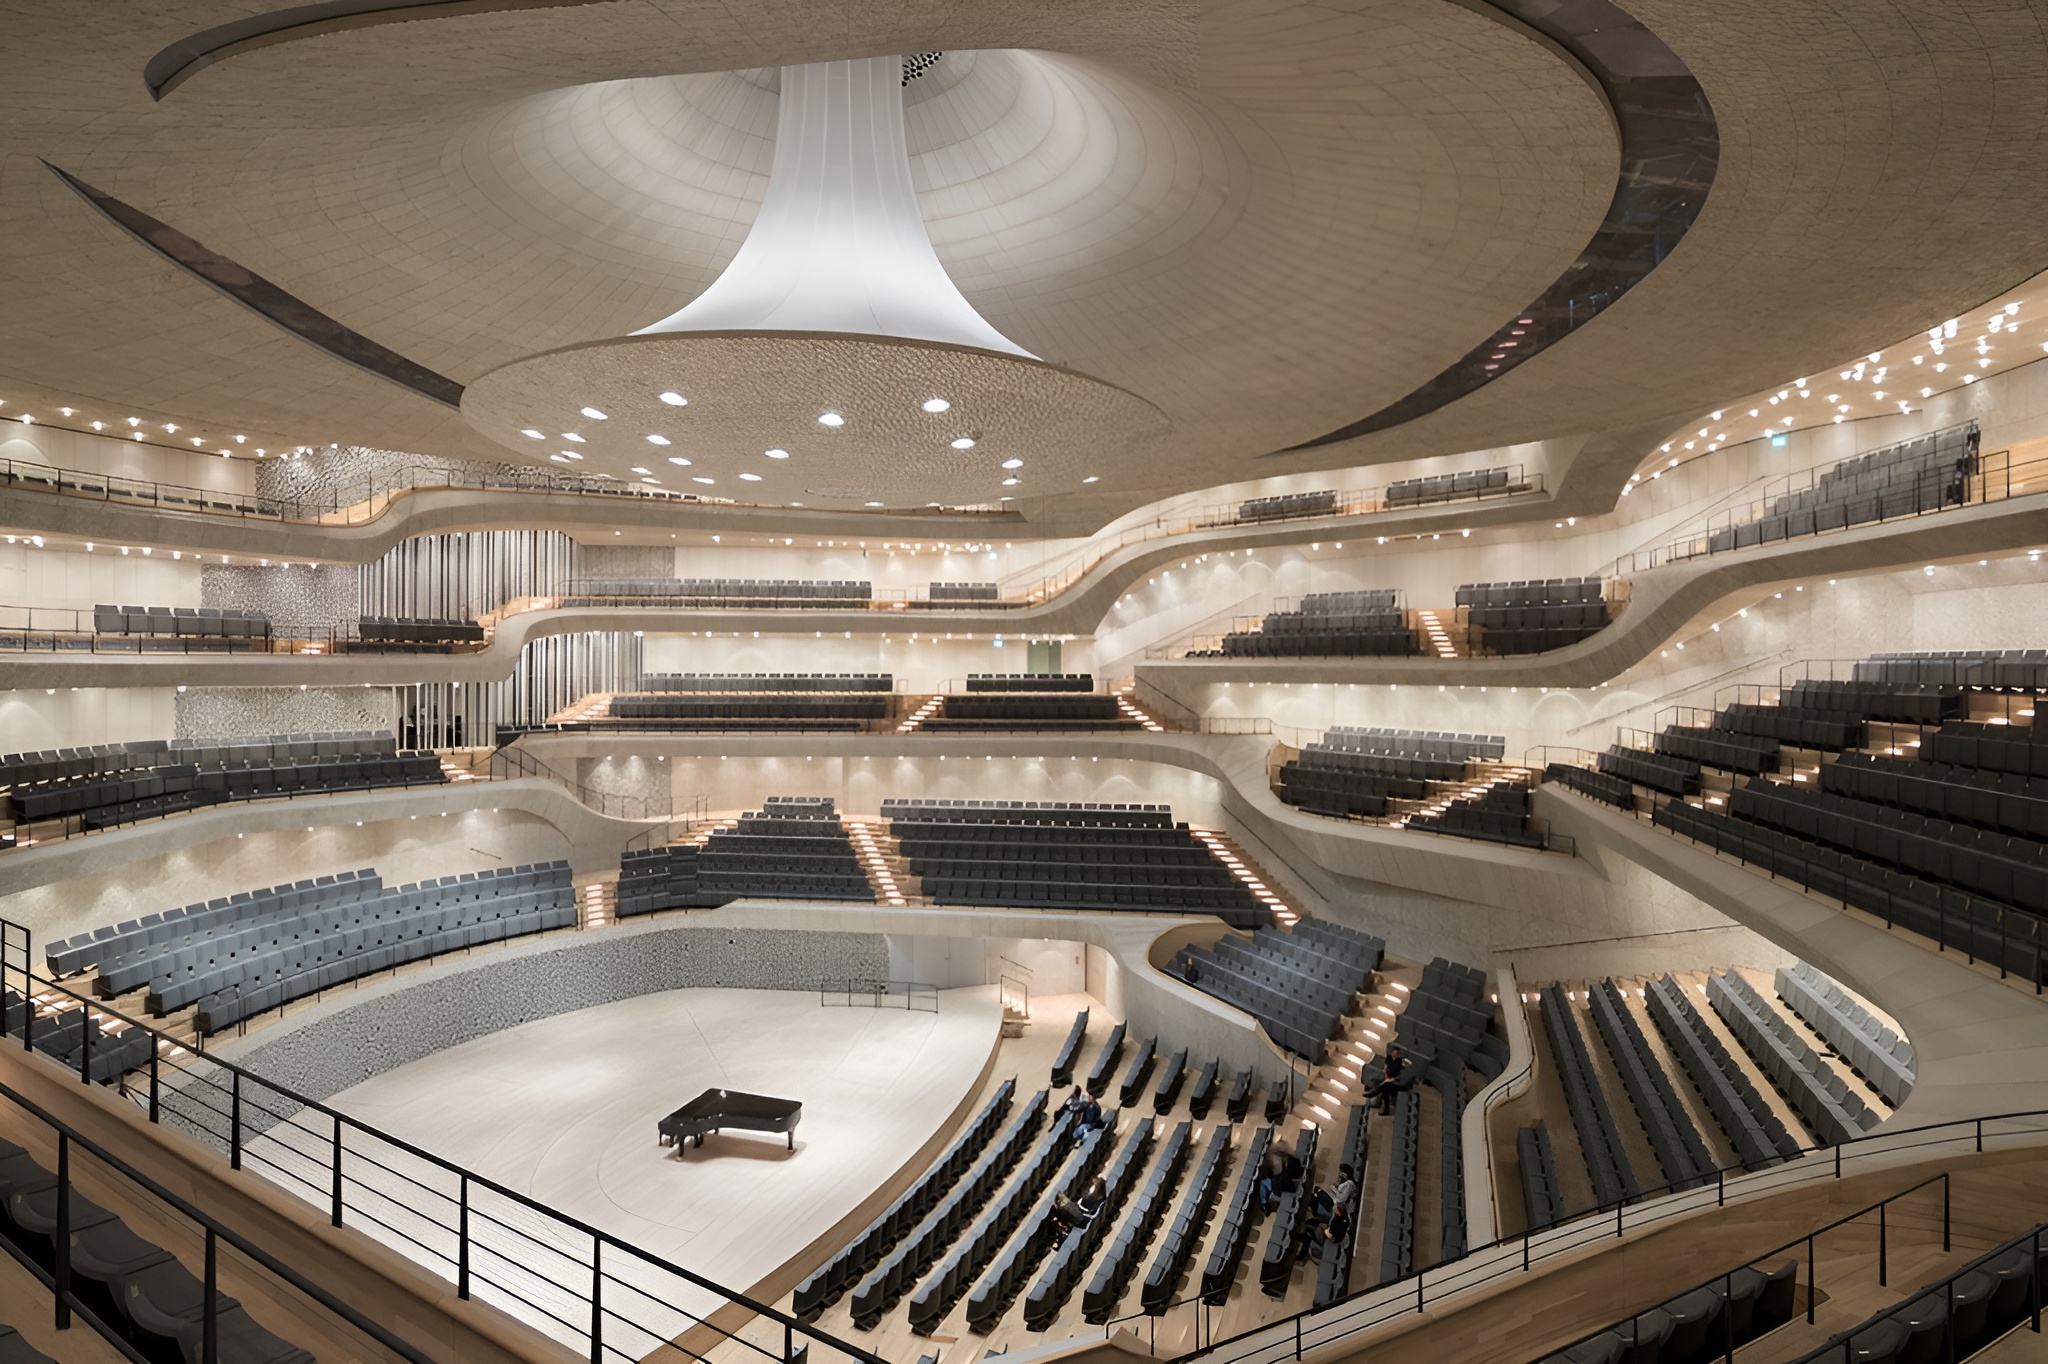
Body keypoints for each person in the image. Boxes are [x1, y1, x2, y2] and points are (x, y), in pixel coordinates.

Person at [1368, 1046, 1408, 1115]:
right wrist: (1386, 1075)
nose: (1395, 1055)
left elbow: (1403, 1074)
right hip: (1387, 1078)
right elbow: (1385, 1067)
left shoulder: (1401, 1062)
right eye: (1394, 1053)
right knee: (1375, 1080)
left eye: (1397, 1054)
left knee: (1384, 1088)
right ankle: (1379, 1102)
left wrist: (1391, 1079)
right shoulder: (1389, 1058)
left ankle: (1376, 1098)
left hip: (1395, 1082)